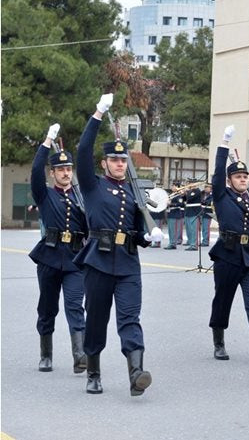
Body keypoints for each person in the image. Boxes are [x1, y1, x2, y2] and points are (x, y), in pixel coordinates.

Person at [73, 93, 163, 395]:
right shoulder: (92, 184)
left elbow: (138, 232)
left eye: (123, 160)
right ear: (104, 163)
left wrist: (148, 237)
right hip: (98, 260)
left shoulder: (134, 193)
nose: (120, 164)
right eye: (114, 159)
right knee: (96, 319)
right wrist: (97, 113)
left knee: (130, 318)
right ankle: (94, 372)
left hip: (127, 263)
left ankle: (136, 371)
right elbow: (82, 150)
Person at [207, 126, 249, 363]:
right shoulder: (222, 194)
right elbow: (217, 173)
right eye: (238, 177)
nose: (243, 179)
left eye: (246, 177)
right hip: (228, 256)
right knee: (223, 300)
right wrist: (224, 144)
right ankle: (219, 341)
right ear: (230, 180)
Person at [29, 123, 88, 374]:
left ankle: (80, 355)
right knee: (47, 308)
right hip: (50, 257)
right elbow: (34, 170)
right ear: (52, 173)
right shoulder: (45, 195)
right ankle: (46, 354)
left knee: (75, 305)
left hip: (75, 258)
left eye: (68, 169)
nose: (65, 173)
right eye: (60, 169)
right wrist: (47, 140)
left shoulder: (81, 196)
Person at [183, 180, 203, 251]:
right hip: (188, 212)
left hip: (195, 212)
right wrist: (183, 194)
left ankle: (194, 245)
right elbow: (185, 200)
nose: (189, 185)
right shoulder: (190, 191)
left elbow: (190, 198)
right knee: (189, 229)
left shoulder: (197, 191)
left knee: (194, 230)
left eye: (190, 183)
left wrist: (187, 191)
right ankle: (191, 242)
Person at [165, 182, 185, 249]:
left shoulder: (179, 195)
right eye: (172, 186)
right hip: (170, 213)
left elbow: (180, 203)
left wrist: (171, 204)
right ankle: (171, 242)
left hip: (175, 213)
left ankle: (173, 244)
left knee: (174, 230)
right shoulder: (172, 194)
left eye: (173, 186)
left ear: (177, 187)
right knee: (170, 230)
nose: (172, 187)